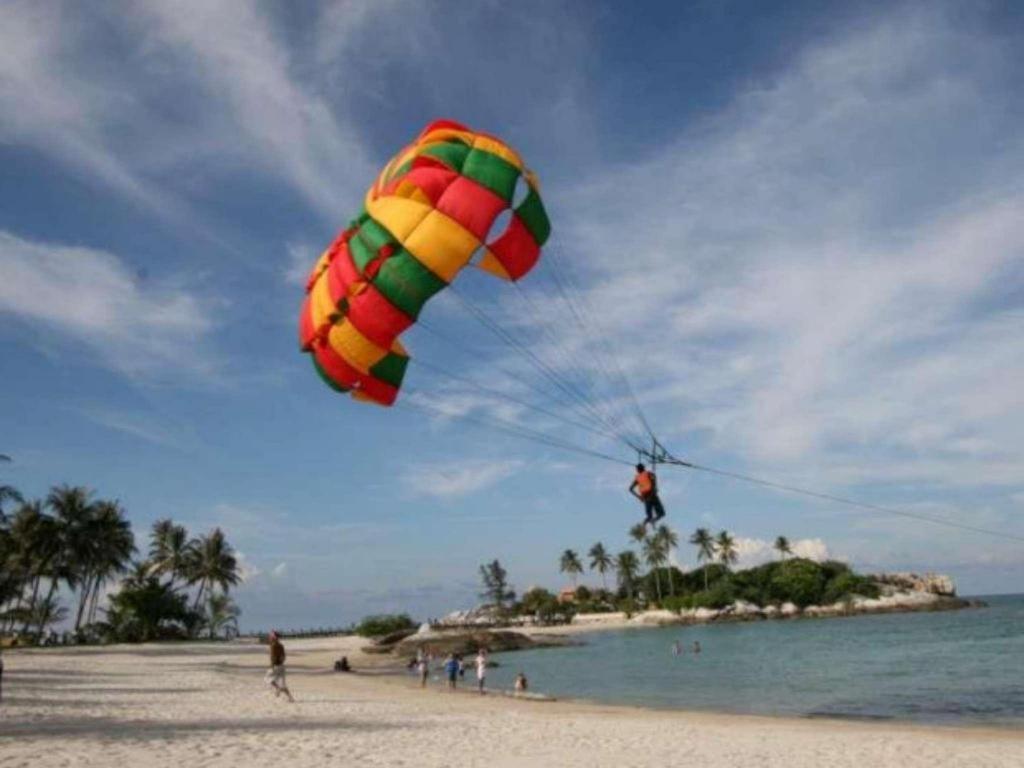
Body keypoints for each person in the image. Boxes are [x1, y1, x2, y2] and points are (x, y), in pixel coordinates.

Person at [265, 631, 294, 702]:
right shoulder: (281, 645)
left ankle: (277, 688)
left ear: (273, 638)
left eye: (270, 637)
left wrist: (272, 665)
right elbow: (283, 657)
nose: (269, 638)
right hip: (281, 666)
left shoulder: (273, 646)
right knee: (282, 684)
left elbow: (273, 657)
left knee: (267, 679)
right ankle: (290, 697)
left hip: (275, 666)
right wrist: (281, 662)